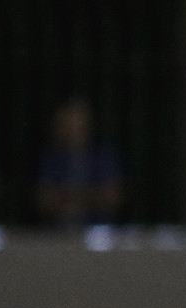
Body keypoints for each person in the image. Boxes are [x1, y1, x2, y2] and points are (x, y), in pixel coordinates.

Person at [37, 96, 122, 228]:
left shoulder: (102, 156)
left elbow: (112, 197)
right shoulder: (51, 158)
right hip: (56, 234)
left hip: (98, 232)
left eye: (76, 122)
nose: (71, 128)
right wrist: (90, 196)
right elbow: (45, 200)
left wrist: (68, 197)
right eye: (65, 122)